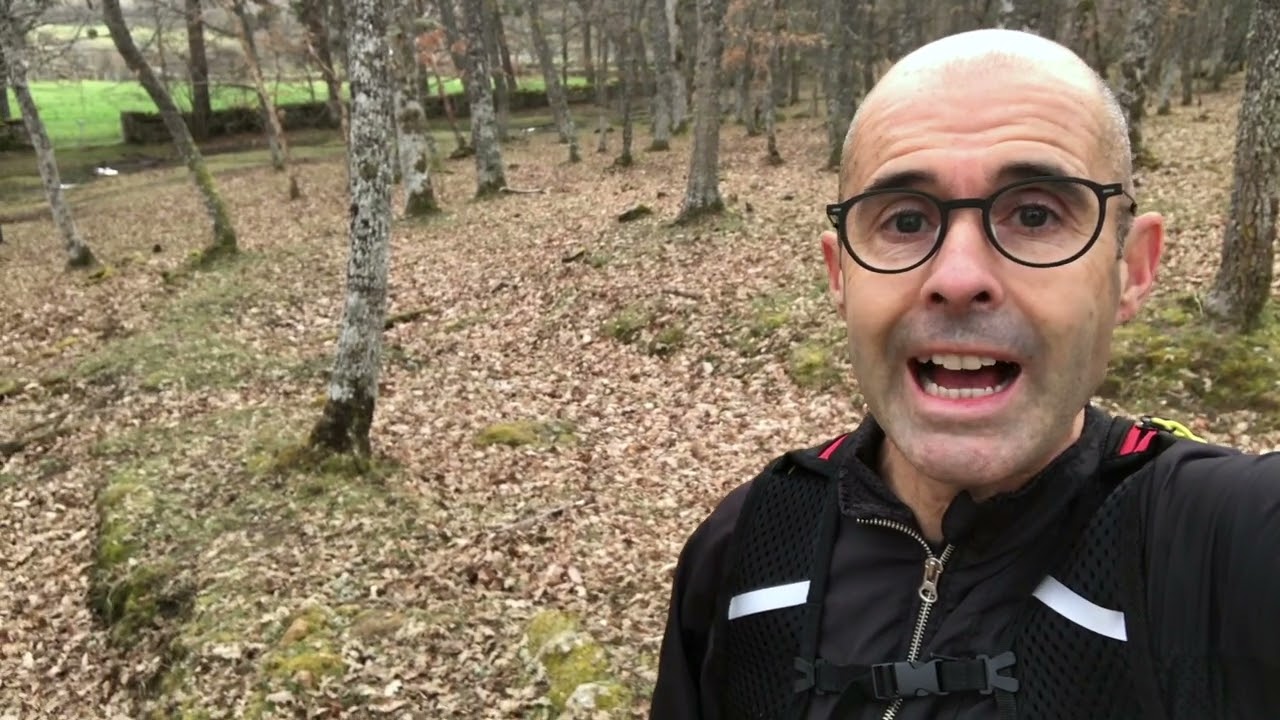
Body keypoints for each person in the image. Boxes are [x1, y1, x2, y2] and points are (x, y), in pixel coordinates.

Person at [648, 28, 1280, 720]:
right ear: (840, 274)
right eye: (905, 221)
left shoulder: (1221, 548)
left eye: (1035, 214)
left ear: (1131, 267)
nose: (957, 278)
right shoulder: (744, 549)